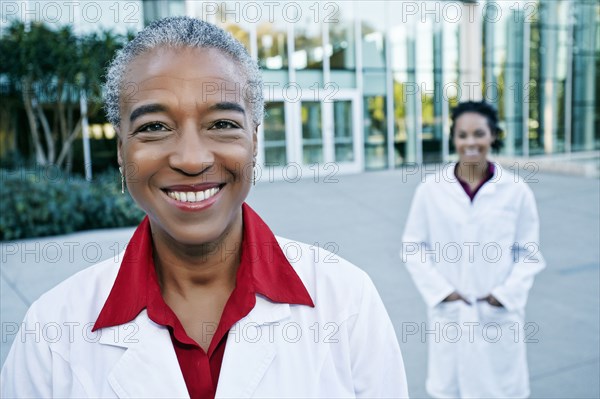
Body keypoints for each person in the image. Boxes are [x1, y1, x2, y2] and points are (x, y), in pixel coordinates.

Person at [0, 17, 408, 398]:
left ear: (255, 140)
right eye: (154, 127)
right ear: (121, 152)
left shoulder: (346, 301)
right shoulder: (51, 334)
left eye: (222, 124)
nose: (192, 159)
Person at [401, 101, 545, 398]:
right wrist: (444, 293)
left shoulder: (516, 190)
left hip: (496, 314)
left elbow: (528, 253)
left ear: (493, 136)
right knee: (450, 389)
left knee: (499, 391)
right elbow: (413, 246)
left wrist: (502, 297)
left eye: (479, 133)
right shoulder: (431, 189)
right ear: (453, 138)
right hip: (451, 312)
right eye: (462, 135)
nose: (470, 143)